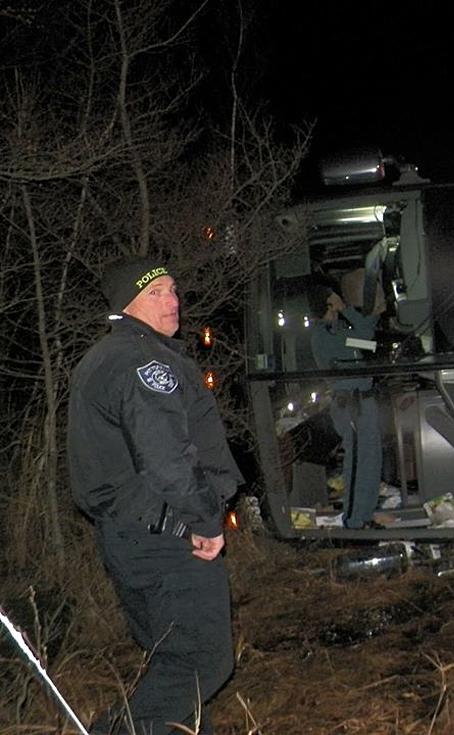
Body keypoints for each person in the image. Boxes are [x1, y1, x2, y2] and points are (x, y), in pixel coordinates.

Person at [67, 257, 243, 734]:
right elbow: (167, 459)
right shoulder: (142, 362)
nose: (173, 300)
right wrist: (207, 522)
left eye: (173, 289)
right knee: (203, 661)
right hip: (166, 539)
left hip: (129, 538)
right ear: (129, 304)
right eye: (157, 293)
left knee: (174, 666)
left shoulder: (108, 358)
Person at [310, 287, 383, 529]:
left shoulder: (339, 331)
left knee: (371, 458)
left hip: (363, 399)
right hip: (350, 403)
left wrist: (375, 314)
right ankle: (353, 519)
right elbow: (365, 335)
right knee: (357, 460)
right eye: (334, 302)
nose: (338, 304)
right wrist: (349, 311)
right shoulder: (322, 335)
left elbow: (367, 342)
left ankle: (366, 514)